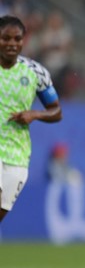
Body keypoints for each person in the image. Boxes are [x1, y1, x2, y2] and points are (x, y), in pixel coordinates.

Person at [0, 15, 63, 224]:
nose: (11, 43)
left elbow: (56, 111)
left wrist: (34, 114)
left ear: (23, 41)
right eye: (5, 38)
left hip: (17, 156)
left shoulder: (36, 72)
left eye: (17, 39)